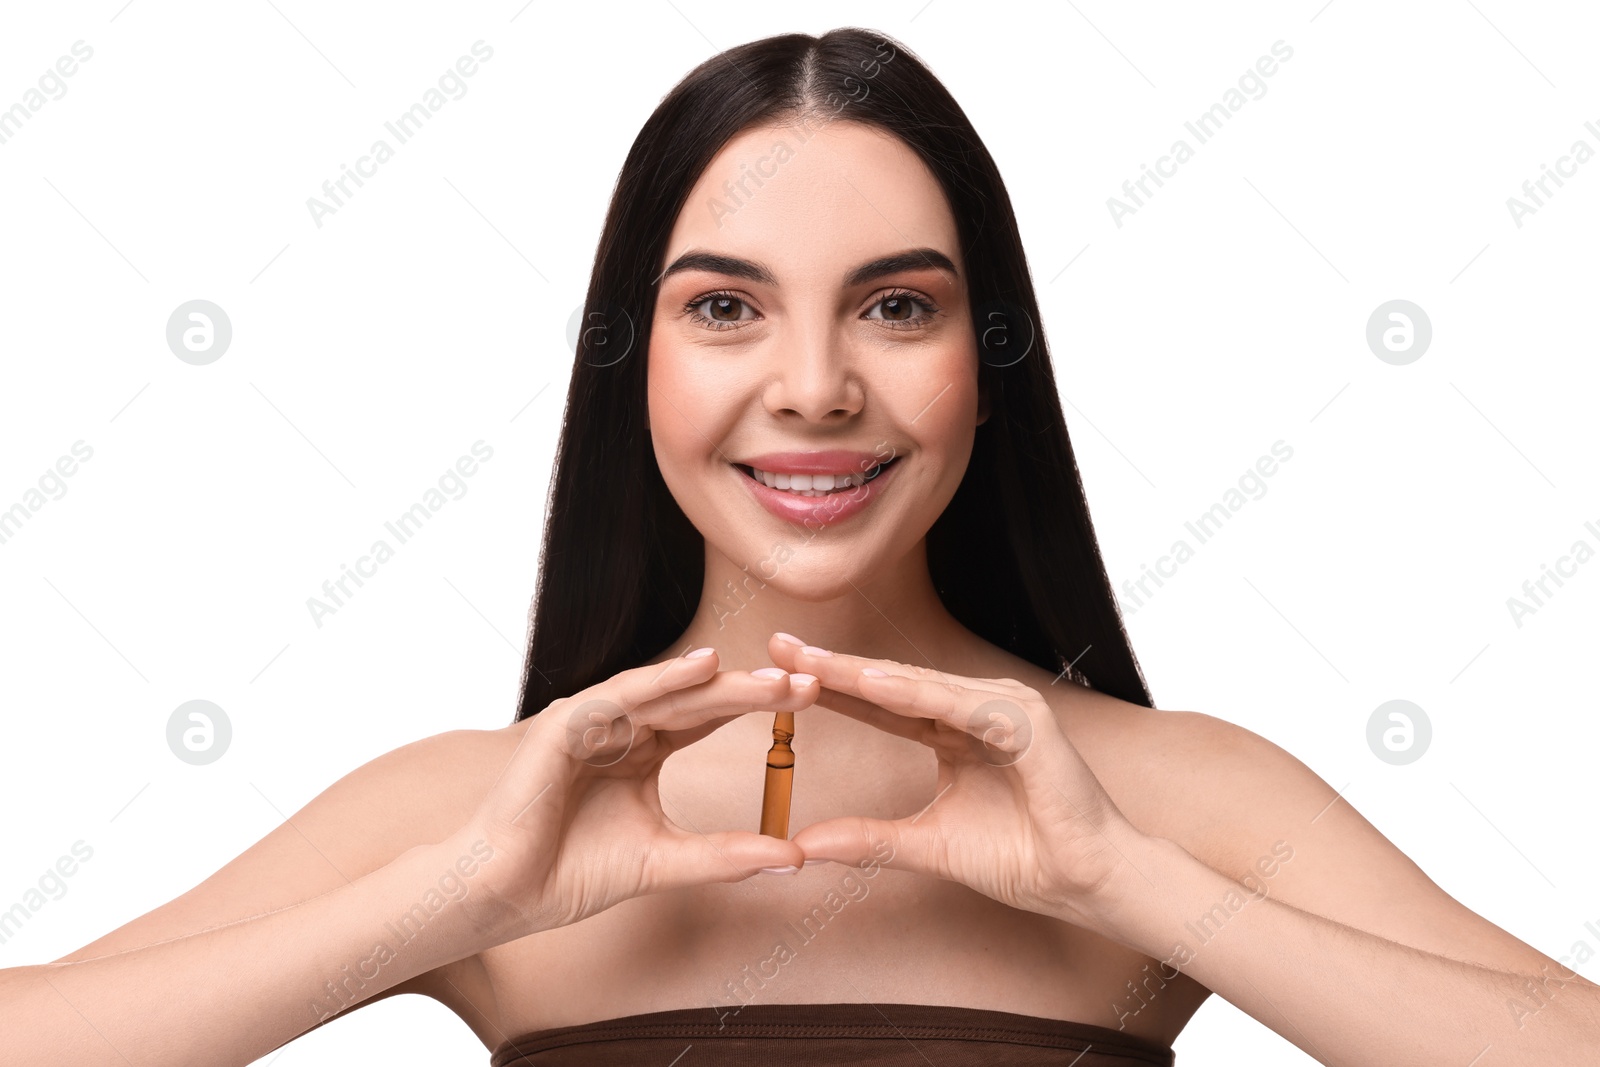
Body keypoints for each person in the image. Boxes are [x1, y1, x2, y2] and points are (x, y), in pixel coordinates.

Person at [8, 26, 1595, 1066]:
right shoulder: (466, 814)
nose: (819, 386)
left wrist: (1132, 884)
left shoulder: (1175, 796)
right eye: (726, 307)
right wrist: (451, 905)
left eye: (895, 306)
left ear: (990, 354)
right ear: (642, 357)